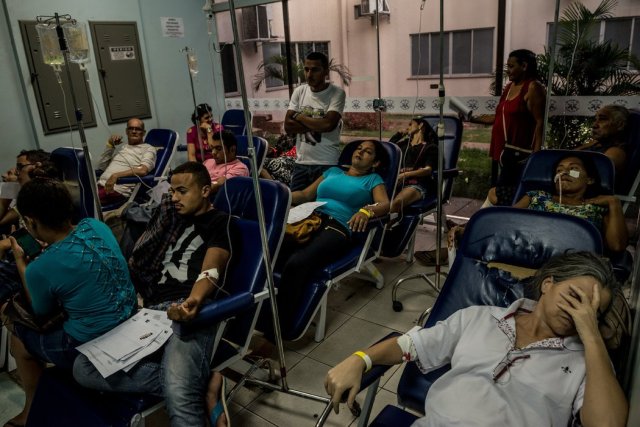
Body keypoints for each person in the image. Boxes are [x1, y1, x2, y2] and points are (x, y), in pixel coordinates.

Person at [325, 251, 628, 427]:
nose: (579, 311)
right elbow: (410, 345)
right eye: (574, 297)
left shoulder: (587, 361)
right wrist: (360, 359)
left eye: (592, 310)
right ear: (548, 284)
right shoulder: (480, 317)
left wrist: (590, 334)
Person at [73, 161, 232, 427]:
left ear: (206, 190)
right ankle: (199, 387)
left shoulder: (221, 222)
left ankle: (184, 390)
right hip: (152, 312)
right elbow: (144, 252)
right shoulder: (172, 218)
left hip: (189, 309)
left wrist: (193, 301)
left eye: (182, 191)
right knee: (84, 367)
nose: (174, 198)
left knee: (180, 400)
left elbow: (212, 270)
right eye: (172, 191)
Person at [0, 178, 136, 427]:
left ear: (30, 222)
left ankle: (31, 409)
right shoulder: (96, 225)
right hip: (130, 320)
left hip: (90, 342)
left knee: (18, 337)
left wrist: (22, 262)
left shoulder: (40, 267)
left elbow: (40, 311)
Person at [275, 140, 389, 326]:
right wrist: (278, 195)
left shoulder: (373, 180)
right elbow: (304, 195)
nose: (359, 152)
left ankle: (279, 326)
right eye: (358, 148)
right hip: (307, 217)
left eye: (367, 151)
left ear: (375, 163)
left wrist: (366, 211)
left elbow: (385, 204)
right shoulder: (332, 172)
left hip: (337, 226)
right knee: (272, 252)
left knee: (297, 263)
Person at [471, 49, 546, 204]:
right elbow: (499, 116)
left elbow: (540, 122)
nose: (508, 71)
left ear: (524, 66)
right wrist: (473, 119)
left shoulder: (533, 88)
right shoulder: (509, 87)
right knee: (503, 192)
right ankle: (473, 224)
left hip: (520, 153)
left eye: (511, 67)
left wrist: (536, 156)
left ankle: (475, 224)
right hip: (506, 151)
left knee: (504, 194)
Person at [512, 154, 628, 253]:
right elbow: (506, 223)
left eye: (573, 169)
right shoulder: (535, 196)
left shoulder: (598, 208)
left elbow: (617, 247)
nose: (564, 173)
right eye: (559, 170)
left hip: (572, 263)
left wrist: (614, 203)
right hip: (527, 253)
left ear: (589, 179)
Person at [285, 51, 346, 191]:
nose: (309, 74)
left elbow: (328, 124)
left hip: (327, 163)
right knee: (294, 207)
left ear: (325, 71)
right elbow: (288, 126)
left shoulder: (336, 93)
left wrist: (299, 117)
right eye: (306, 69)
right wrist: (317, 124)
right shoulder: (299, 91)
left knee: (322, 208)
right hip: (302, 162)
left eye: (315, 70)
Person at [97, 118, 157, 206]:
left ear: (143, 132)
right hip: (100, 185)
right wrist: (110, 145)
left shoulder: (148, 149)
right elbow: (102, 167)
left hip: (116, 190)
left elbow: (143, 170)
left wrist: (116, 175)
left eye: (138, 129)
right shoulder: (122, 147)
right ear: (126, 131)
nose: (134, 131)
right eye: (131, 128)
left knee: (83, 201)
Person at [389, 117, 439, 213]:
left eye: (410, 124)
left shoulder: (430, 147)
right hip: (397, 183)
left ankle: (385, 227)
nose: (407, 127)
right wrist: (398, 134)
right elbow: (387, 151)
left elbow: (427, 170)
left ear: (420, 126)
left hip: (417, 184)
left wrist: (406, 175)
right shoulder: (403, 145)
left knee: (396, 203)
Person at [0, 149, 51, 230]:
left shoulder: (46, 198)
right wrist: (9, 189)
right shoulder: (27, 197)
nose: (17, 173)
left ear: (35, 168)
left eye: (20, 167)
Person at [577, 105, 629, 183]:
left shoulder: (616, 153)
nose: (594, 125)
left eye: (603, 119)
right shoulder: (594, 144)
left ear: (619, 125)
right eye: (595, 119)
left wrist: (564, 172)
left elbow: (585, 177)